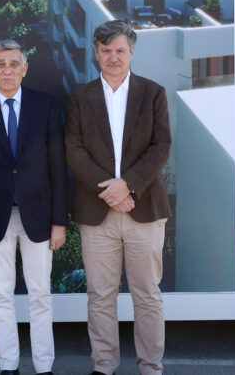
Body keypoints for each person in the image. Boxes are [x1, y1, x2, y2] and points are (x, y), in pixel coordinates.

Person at [65, 19, 171, 375]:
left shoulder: (153, 93)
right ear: (96, 52)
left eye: (120, 50)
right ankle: (104, 366)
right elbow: (74, 150)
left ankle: (151, 367)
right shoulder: (80, 97)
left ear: (132, 52)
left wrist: (128, 185)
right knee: (100, 296)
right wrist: (111, 191)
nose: (113, 57)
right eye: (106, 50)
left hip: (144, 210)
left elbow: (161, 146)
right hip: (97, 214)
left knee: (147, 296)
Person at [0, 39, 69, 375]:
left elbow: (58, 168)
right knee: (2, 296)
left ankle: (43, 367)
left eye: (13, 64)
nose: (7, 70)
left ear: (25, 68)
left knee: (41, 295)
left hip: (38, 216)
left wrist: (59, 222)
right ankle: (8, 367)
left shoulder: (46, 106)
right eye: (0, 64)